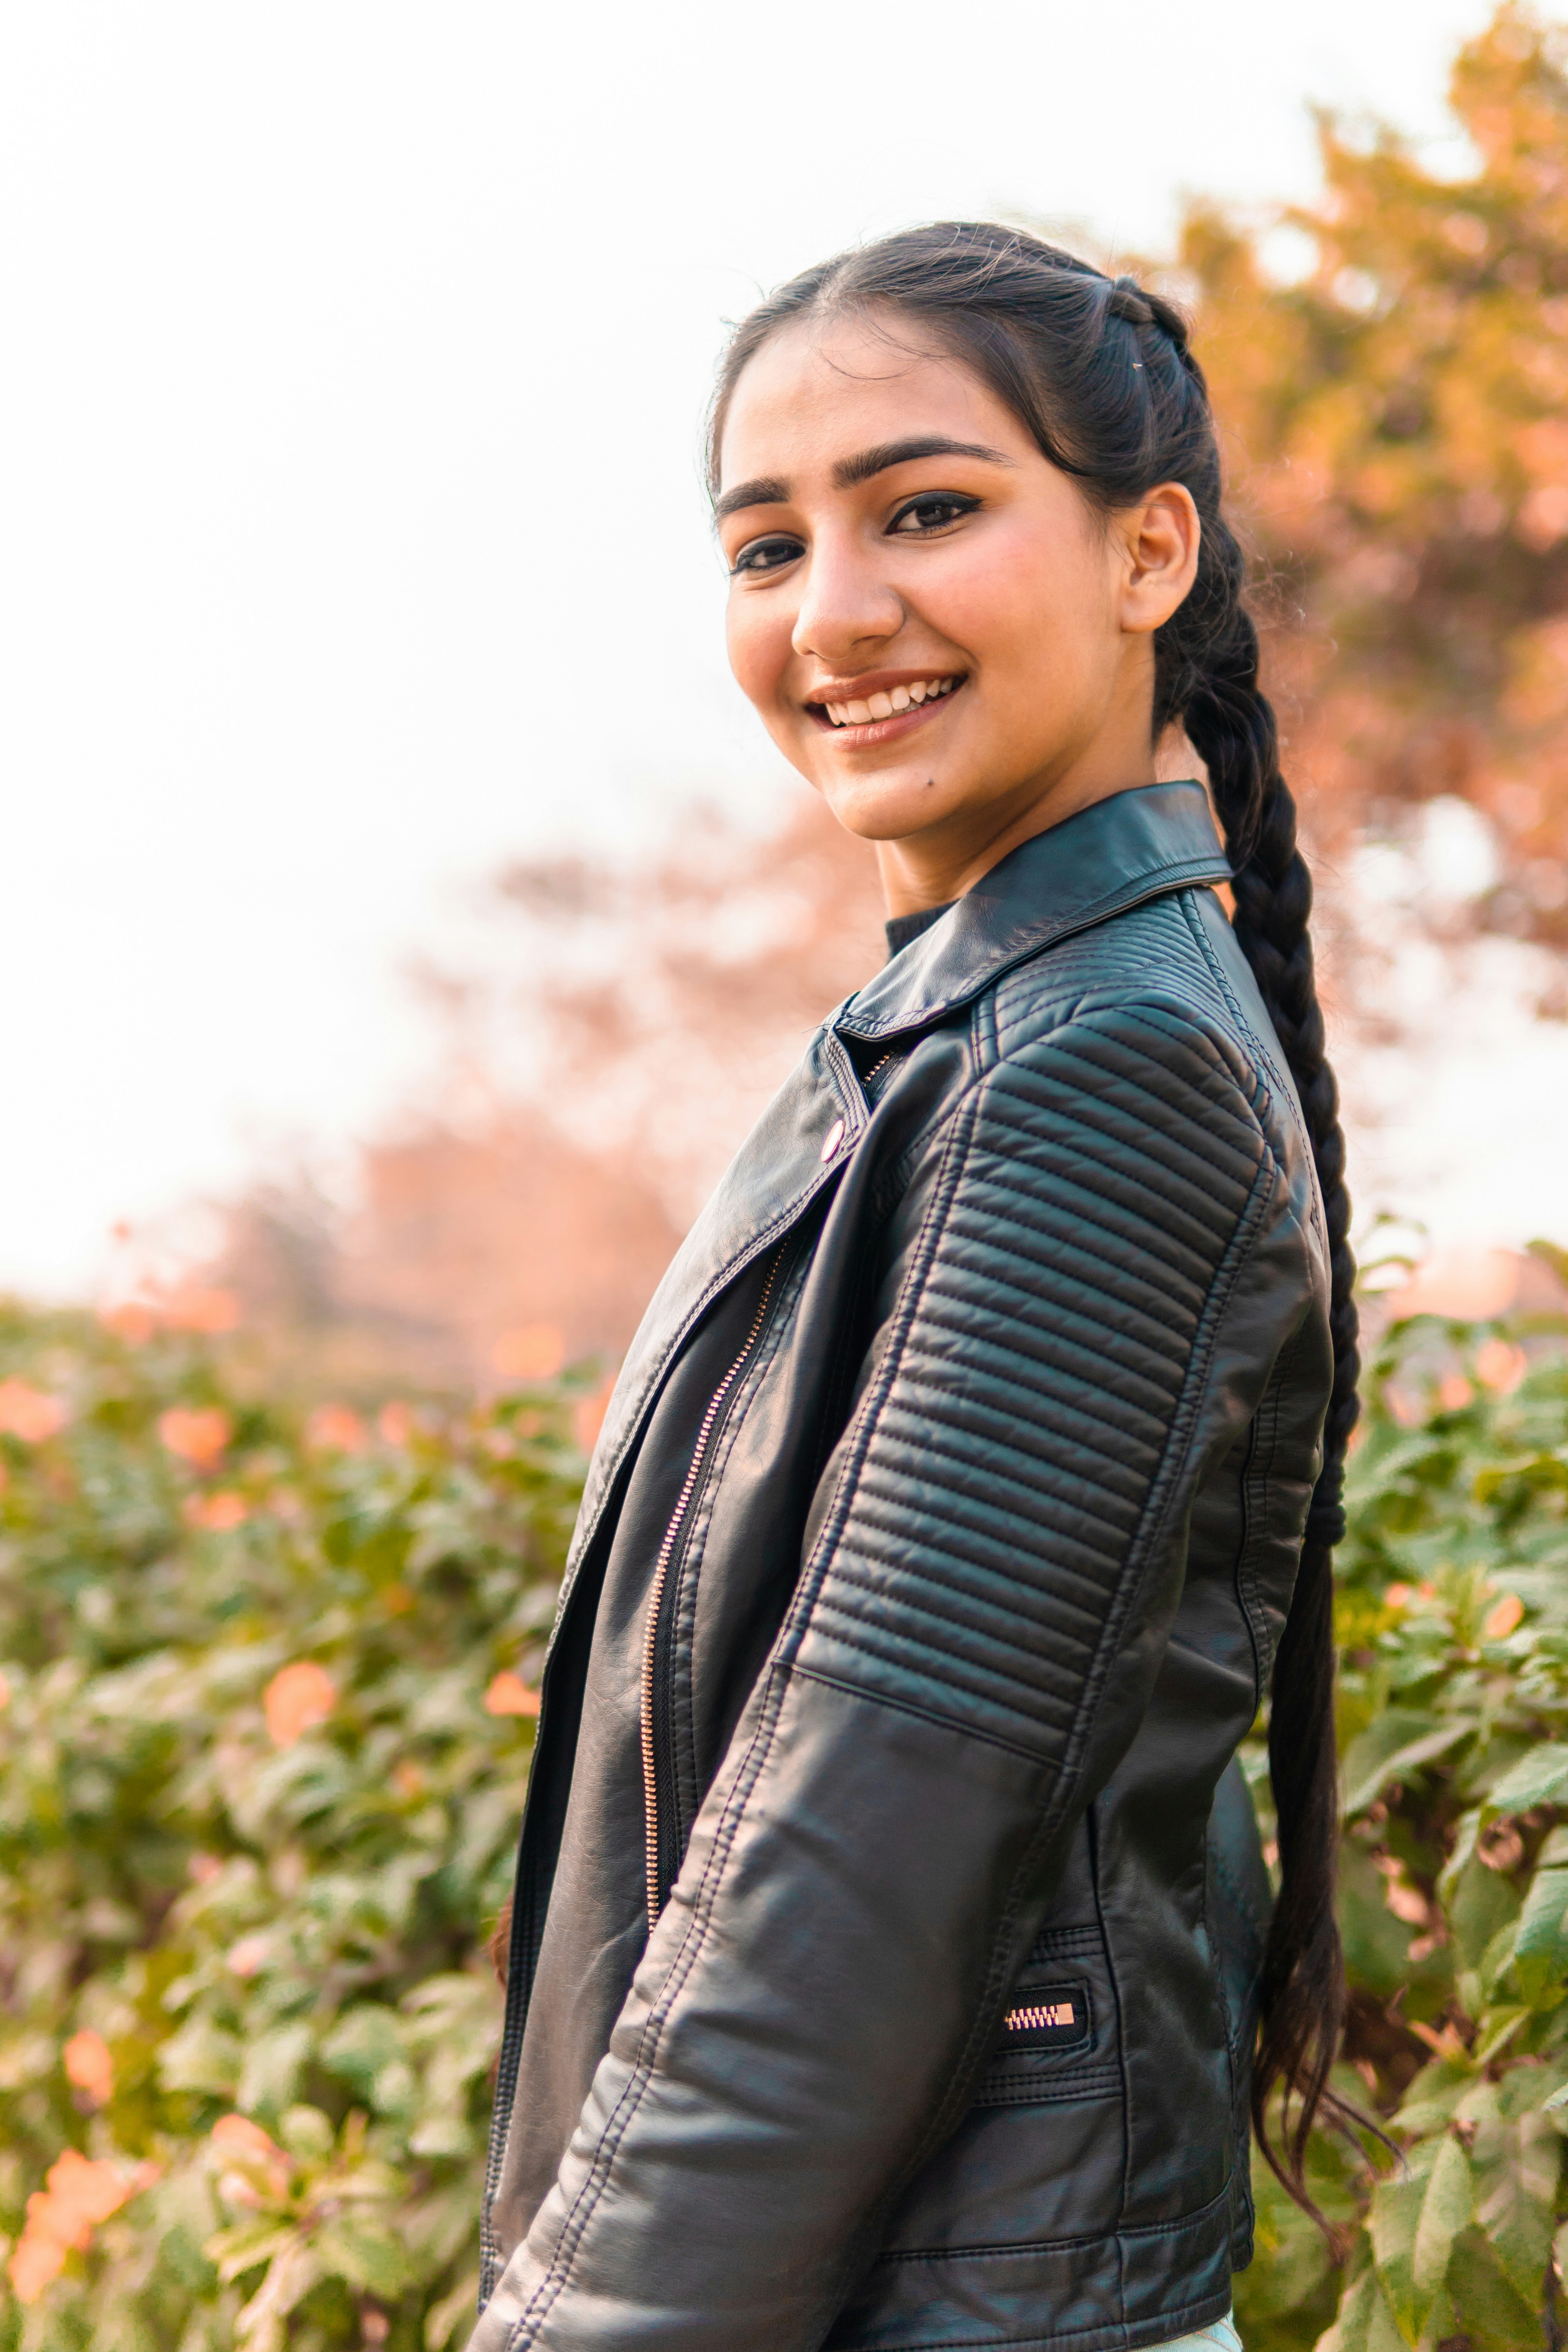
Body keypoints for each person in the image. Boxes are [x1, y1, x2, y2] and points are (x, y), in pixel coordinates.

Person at [468, 222, 1357, 2352]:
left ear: (1151, 555)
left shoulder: (1099, 1067)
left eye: (928, 512)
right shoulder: (969, 1035)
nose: (834, 613)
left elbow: (861, 1840)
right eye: (765, 547)